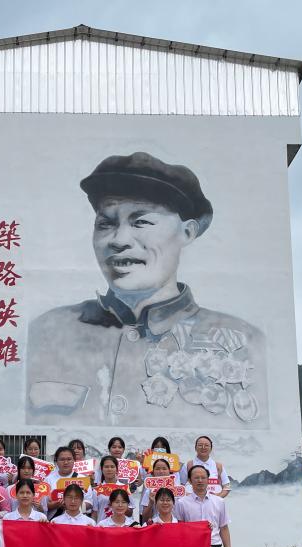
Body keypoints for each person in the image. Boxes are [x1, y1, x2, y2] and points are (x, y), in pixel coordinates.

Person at [26, 150, 267, 428]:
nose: (119, 240)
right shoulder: (47, 332)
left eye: (141, 222)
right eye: (106, 224)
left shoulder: (245, 343)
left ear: (187, 233)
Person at [45, 446, 95, 519]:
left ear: (74, 461)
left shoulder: (83, 479)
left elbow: (89, 502)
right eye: (62, 459)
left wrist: (73, 505)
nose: (66, 462)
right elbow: (44, 504)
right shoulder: (48, 480)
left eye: (69, 459)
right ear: (56, 461)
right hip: (55, 522)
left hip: (78, 522)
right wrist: (56, 505)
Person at [93, 455, 131, 521]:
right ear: (101, 469)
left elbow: (130, 513)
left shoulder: (124, 488)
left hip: (121, 527)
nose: (109, 469)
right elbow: (94, 513)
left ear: (117, 469)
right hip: (103, 527)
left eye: (112, 467)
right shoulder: (97, 490)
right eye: (106, 467)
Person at [139, 458, 175, 523]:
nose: (161, 471)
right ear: (153, 472)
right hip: (156, 526)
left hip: (174, 525)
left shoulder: (177, 489)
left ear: (169, 471)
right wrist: (151, 503)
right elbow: (144, 518)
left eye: (164, 468)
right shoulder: (149, 491)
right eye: (157, 469)